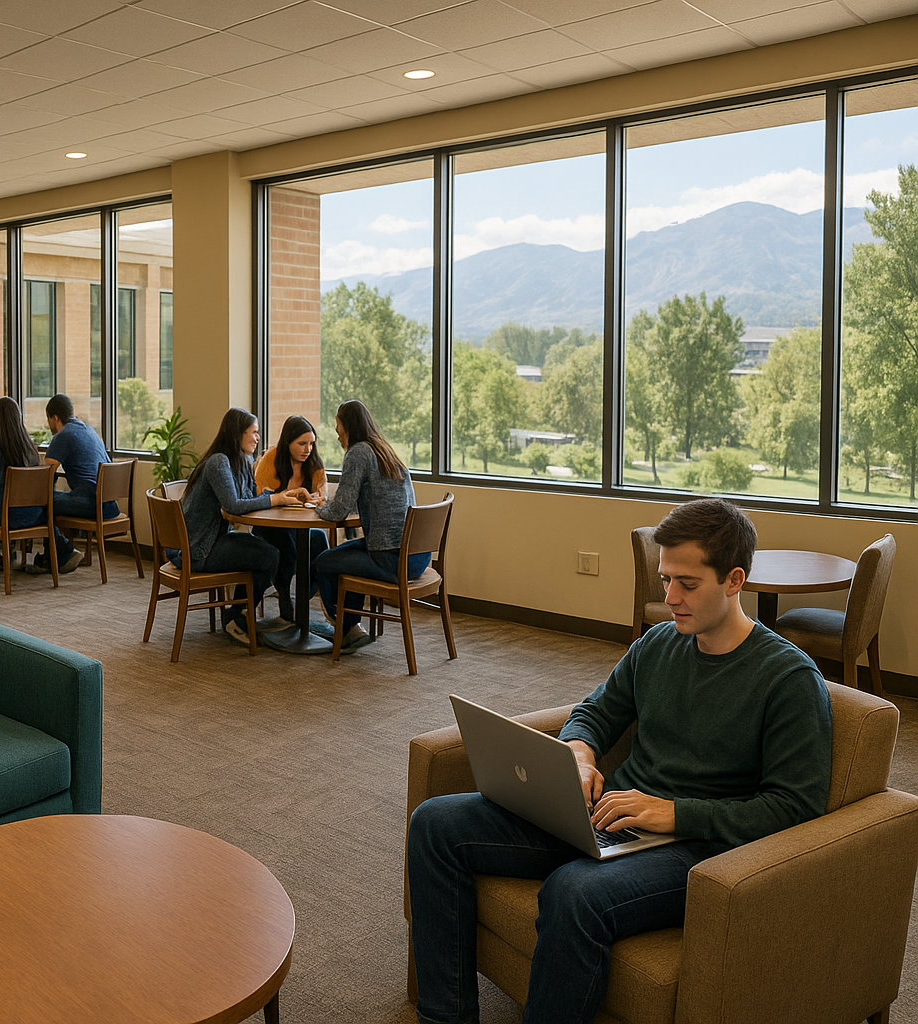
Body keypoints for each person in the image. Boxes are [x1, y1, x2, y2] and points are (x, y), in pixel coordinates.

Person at [406, 498, 832, 1024]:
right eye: (666, 579)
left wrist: (673, 813)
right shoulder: (658, 644)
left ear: (734, 580)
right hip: (613, 817)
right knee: (435, 823)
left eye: (687, 584)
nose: (669, 597)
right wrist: (579, 755)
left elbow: (795, 808)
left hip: (699, 848)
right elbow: (594, 713)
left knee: (573, 892)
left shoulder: (788, 679)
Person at [180, 407, 304, 644]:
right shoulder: (218, 462)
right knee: (269, 555)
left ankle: (240, 613)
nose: (258, 437)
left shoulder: (242, 461)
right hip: (198, 549)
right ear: (238, 433)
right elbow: (234, 505)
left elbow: (247, 498)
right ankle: (236, 616)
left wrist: (281, 495)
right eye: (254, 432)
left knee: (275, 552)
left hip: (214, 540)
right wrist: (276, 500)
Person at [311, 400, 425, 653]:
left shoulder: (358, 453)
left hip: (391, 559)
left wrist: (318, 506)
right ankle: (351, 627)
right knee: (345, 556)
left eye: (339, 428)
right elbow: (371, 496)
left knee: (324, 562)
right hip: (416, 556)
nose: (337, 434)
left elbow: (338, 511)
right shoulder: (384, 450)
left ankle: (346, 627)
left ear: (348, 426)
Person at [0, 396, 74, 573]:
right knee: (39, 510)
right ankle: (62, 549)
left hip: (7, 512)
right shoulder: (27, 443)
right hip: (33, 513)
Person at [253, 415, 329, 626]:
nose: (308, 449)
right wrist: (295, 494)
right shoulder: (272, 457)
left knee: (319, 540)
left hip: (298, 526)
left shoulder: (313, 463)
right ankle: (285, 596)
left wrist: (317, 497)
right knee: (288, 547)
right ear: (288, 442)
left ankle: (306, 595)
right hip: (269, 525)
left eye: (311, 443)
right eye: (302, 443)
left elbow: (322, 494)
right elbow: (260, 492)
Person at [31, 393, 109, 576]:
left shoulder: (63, 435)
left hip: (90, 502)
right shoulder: (90, 430)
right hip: (108, 503)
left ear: (55, 417)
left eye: (48, 419)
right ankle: (53, 557)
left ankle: (63, 553)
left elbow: (45, 474)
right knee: (52, 499)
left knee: (40, 503)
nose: (49, 424)